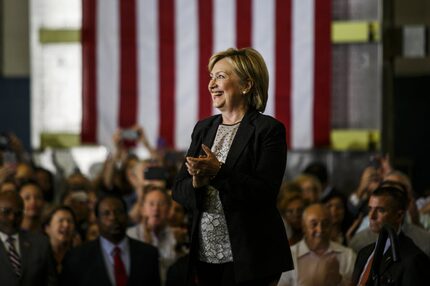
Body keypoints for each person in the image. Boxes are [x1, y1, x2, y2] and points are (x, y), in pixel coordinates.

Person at [173, 47, 293, 285]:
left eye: (220, 76)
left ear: (246, 85)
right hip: (205, 254)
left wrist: (217, 172)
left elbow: (264, 193)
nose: (211, 84)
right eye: (211, 77)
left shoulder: (268, 130)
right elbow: (178, 190)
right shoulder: (204, 128)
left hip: (250, 256)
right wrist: (197, 182)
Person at [60, 194, 160, 286]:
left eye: (118, 212)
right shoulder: (77, 258)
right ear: (97, 220)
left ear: (126, 216)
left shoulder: (149, 254)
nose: (113, 217)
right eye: (106, 214)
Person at [351, 186, 430, 285]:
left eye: (380, 210)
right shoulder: (364, 253)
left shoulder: (412, 260)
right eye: (370, 209)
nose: (371, 216)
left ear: (399, 216)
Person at [278, 204, 356, 286]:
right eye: (314, 224)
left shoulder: (348, 256)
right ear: (304, 228)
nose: (320, 230)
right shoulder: (290, 256)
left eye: (325, 224)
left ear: (331, 226)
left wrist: (339, 280)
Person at [0, 190, 57, 286]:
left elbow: (50, 281)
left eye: (18, 214)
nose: (12, 218)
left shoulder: (40, 243)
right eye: (6, 212)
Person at [127, 186, 179, 285]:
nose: (156, 208)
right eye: (151, 204)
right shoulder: (130, 235)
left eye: (161, 204)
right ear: (143, 209)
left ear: (168, 210)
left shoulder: (175, 236)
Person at [43, 205, 79, 273]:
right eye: (61, 221)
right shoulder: (39, 257)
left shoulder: (80, 257)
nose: (66, 225)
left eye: (69, 221)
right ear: (47, 228)